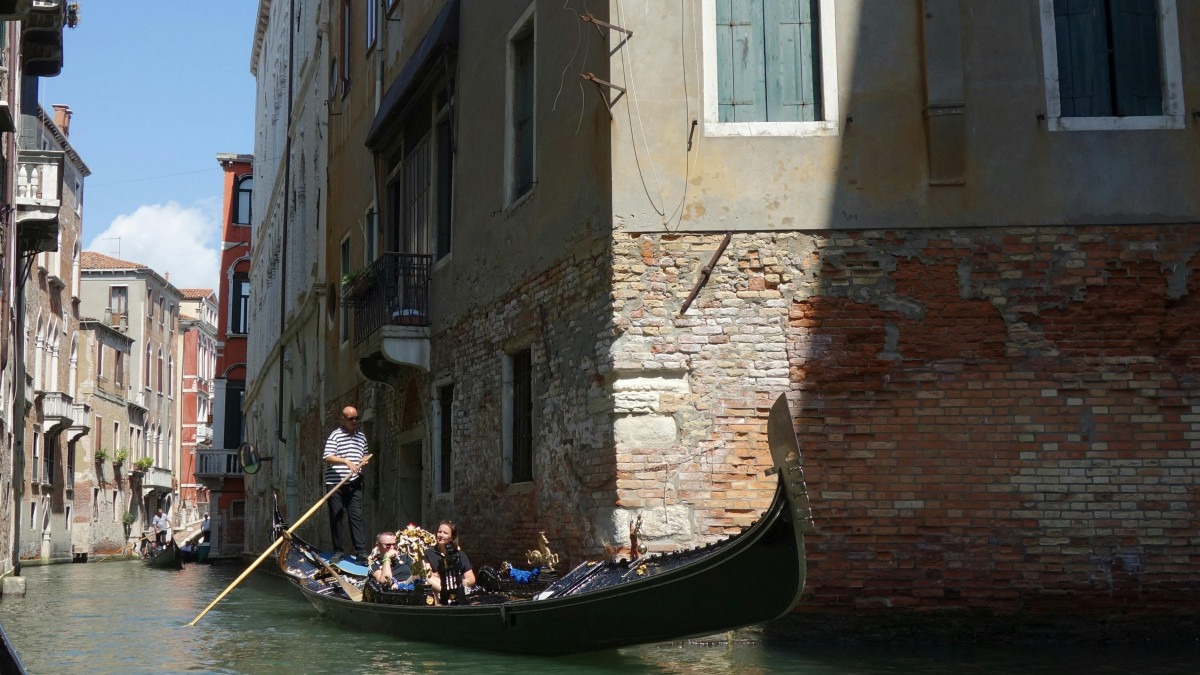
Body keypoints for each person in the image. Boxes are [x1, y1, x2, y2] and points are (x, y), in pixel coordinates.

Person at [323, 406, 370, 561]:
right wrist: (346, 461)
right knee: (336, 516)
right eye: (351, 419)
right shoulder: (335, 436)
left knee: (356, 516)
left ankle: (361, 552)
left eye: (356, 418)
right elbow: (328, 457)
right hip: (335, 482)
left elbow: (363, 455)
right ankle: (338, 551)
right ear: (343, 419)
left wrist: (364, 461)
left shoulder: (361, 437)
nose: (355, 421)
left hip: (354, 482)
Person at [424, 520, 475, 604]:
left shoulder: (460, 554)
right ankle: (449, 593)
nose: (441, 535)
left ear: (451, 537)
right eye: (439, 532)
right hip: (438, 590)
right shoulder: (428, 553)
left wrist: (463, 582)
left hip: (458, 587)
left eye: (445, 533)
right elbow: (427, 574)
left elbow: (471, 578)